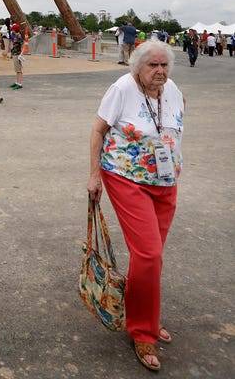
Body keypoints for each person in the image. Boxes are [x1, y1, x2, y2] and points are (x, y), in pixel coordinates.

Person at [87, 42, 185, 372]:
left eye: (164, 65)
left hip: (166, 181)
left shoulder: (172, 89)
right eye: (152, 65)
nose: (160, 71)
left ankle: (146, 312)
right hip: (127, 178)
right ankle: (143, 331)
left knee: (151, 258)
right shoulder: (122, 88)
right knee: (149, 254)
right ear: (137, 68)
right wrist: (94, 176)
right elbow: (98, 129)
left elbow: (176, 125)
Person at [9, 23, 24, 89]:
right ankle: (17, 82)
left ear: (15, 30)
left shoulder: (19, 36)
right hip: (15, 54)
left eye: (12, 29)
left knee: (18, 70)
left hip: (17, 54)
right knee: (17, 69)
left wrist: (21, 54)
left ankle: (19, 83)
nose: (12, 31)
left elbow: (23, 45)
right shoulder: (16, 36)